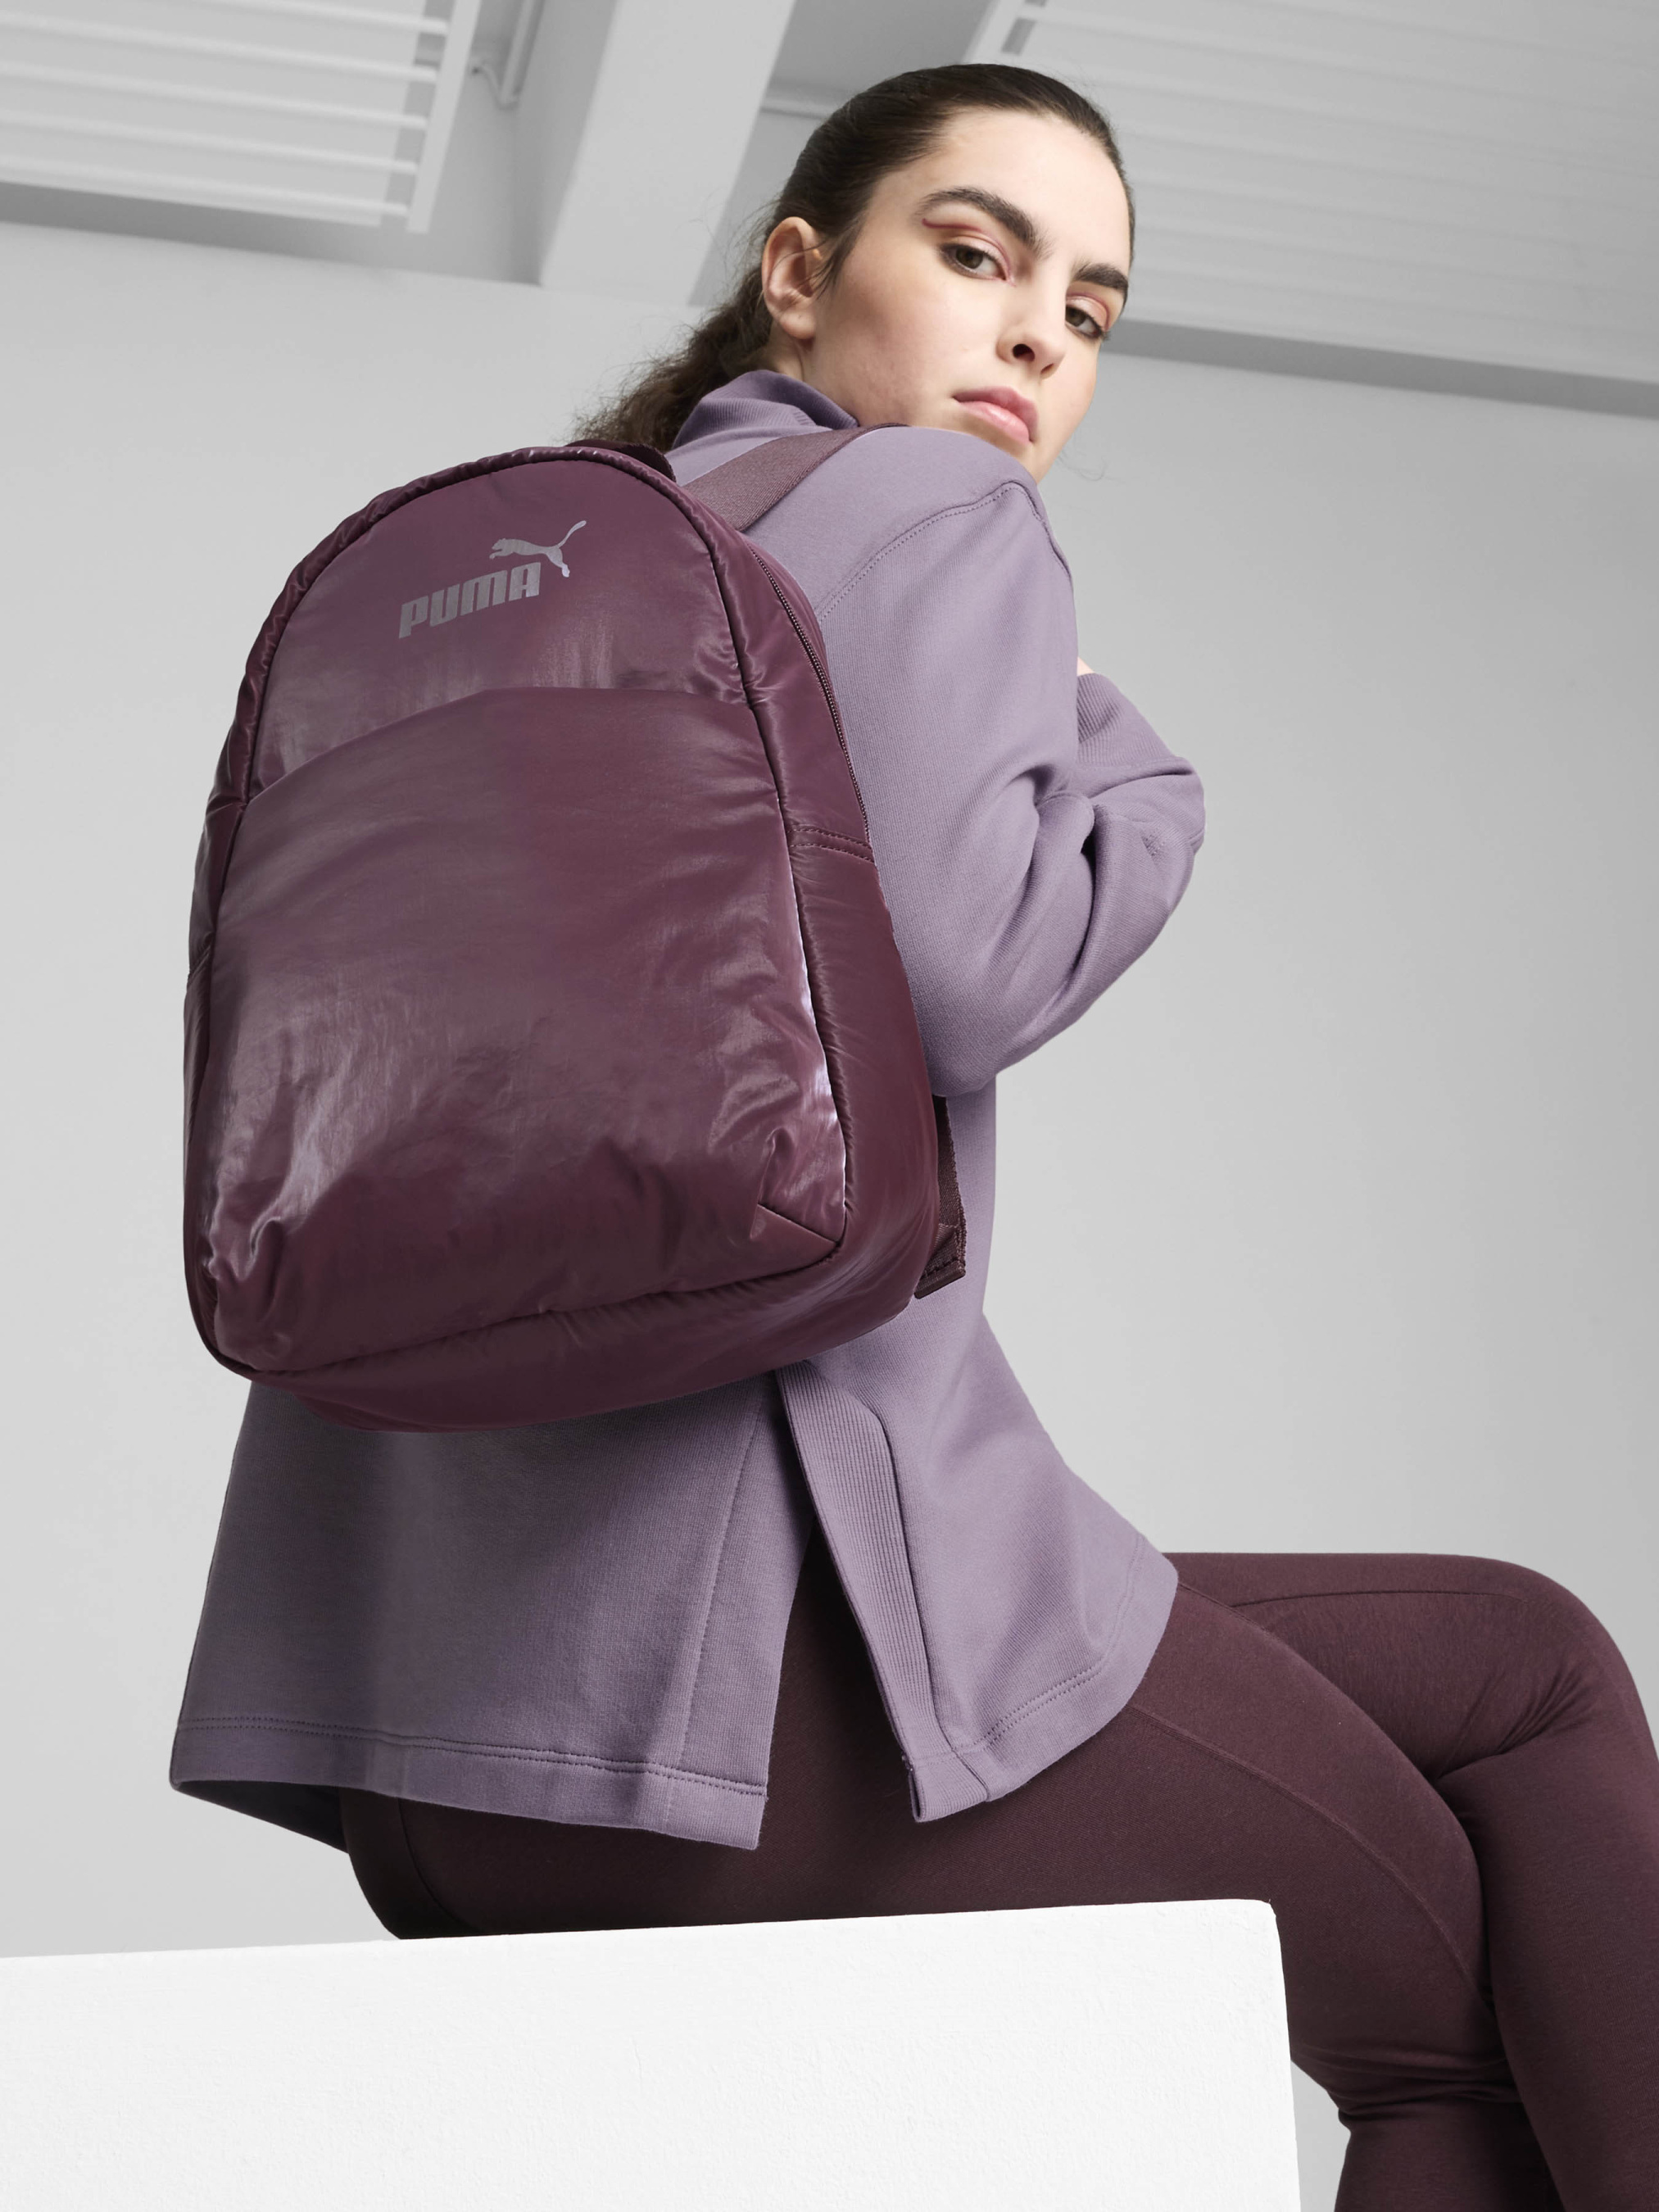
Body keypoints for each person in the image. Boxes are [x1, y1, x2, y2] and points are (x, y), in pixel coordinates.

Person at [172, 64, 1658, 2210]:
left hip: (422, 1742)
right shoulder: (924, 510)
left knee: (1507, 1659)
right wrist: (1131, 770)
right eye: (977, 253)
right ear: (797, 272)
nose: (1038, 331)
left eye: (1092, 308)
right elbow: (973, 968)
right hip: (754, 1706)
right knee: (1444, 2027)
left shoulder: (545, 585)